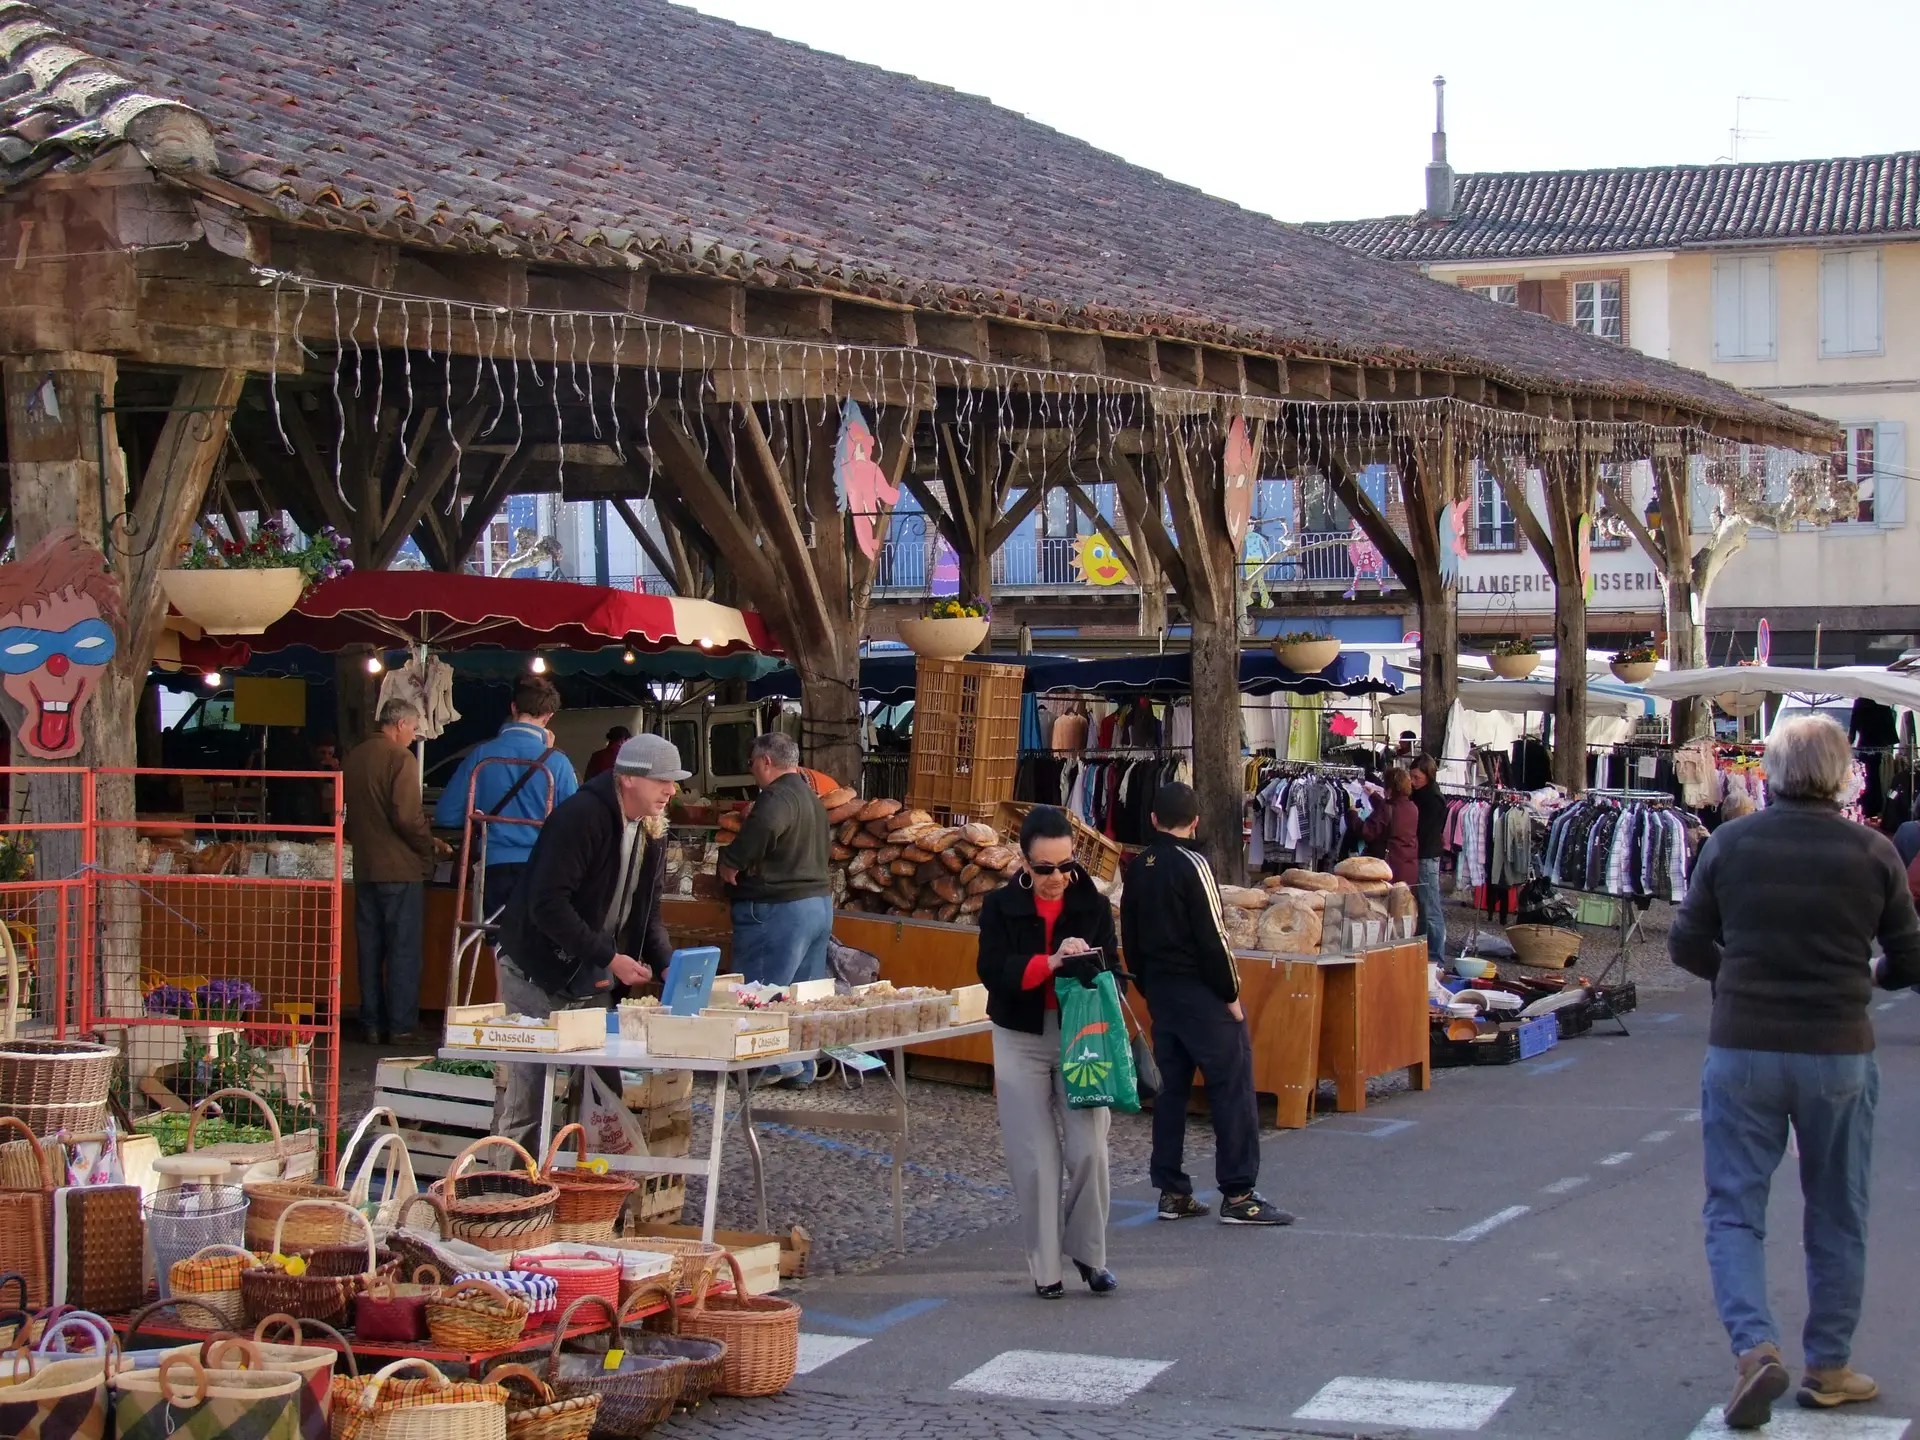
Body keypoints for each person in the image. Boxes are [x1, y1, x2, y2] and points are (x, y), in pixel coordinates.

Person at [1669, 716, 1920, 1428]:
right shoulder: (1873, 853)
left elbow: (1688, 943)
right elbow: (1910, 960)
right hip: (1839, 1050)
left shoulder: (1731, 843)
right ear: (1844, 775)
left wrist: (1739, 973)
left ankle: (1755, 1350)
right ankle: (1830, 1366)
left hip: (1744, 1046)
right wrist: (1869, 972)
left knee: (1734, 1209)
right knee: (1839, 1210)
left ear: (1772, 773)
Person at [492, 733, 686, 1154]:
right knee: (529, 1097)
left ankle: (594, 1200)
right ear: (630, 779)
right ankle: (503, 1196)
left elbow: (647, 912)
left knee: (602, 1094)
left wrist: (667, 963)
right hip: (535, 968)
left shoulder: (653, 830)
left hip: (592, 973)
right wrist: (610, 957)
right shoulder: (581, 816)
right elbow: (548, 905)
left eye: (673, 781)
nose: (671, 790)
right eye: (663, 781)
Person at [1122, 782, 1292, 1228]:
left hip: (1161, 990)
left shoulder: (1138, 867)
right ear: (1195, 821)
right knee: (1231, 1087)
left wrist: (1147, 985)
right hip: (1200, 991)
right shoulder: (1193, 864)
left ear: (1154, 819)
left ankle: (1172, 1190)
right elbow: (1214, 938)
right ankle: (1239, 1193)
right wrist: (1231, 995)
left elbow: (1130, 938)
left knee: (1171, 1090)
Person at [976, 805, 1121, 1296]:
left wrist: (1089, 966)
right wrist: (1049, 962)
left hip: (1080, 1034)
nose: (1057, 877)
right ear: (1024, 862)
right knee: (1034, 1157)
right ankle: (1046, 1269)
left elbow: (1113, 970)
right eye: (1045, 869)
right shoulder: (999, 907)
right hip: (1020, 1035)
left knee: (1090, 1150)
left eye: (1066, 866)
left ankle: (1091, 1255)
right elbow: (991, 970)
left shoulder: (1094, 905)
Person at [434, 677, 579, 920]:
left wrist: (482, 817)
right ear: (549, 716)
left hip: (494, 867)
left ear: (513, 707)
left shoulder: (481, 754)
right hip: (542, 870)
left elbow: (446, 815)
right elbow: (575, 824)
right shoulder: (557, 762)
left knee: (498, 943)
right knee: (535, 944)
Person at [344, 699, 444, 1043]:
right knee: (403, 950)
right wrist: (427, 845)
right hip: (399, 869)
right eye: (414, 727)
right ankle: (401, 1026)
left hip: (365, 866)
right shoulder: (400, 757)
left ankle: (371, 1022)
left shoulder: (355, 757)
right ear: (399, 724)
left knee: (369, 949)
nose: (414, 734)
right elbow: (406, 816)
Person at [718, 733, 832, 989]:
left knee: (756, 1002)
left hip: (780, 909)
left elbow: (767, 824)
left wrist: (732, 860)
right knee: (802, 1003)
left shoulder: (777, 795)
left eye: (751, 763)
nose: (752, 771)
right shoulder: (812, 799)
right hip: (818, 907)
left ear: (765, 761)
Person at [1407, 755, 1448, 964]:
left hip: (1427, 856)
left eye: (1417, 777)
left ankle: (1435, 957)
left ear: (1428, 776)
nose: (1413, 782)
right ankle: (1423, 953)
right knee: (1423, 905)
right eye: (1411, 777)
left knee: (1430, 907)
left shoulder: (1432, 799)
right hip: (1423, 855)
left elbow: (1425, 830)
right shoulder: (1422, 795)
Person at [1356, 766, 1419, 884]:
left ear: (1390, 789)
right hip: (1409, 868)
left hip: (1390, 869)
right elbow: (1392, 813)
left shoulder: (1387, 809)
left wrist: (1352, 815)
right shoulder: (1412, 807)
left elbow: (1367, 831)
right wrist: (1373, 796)